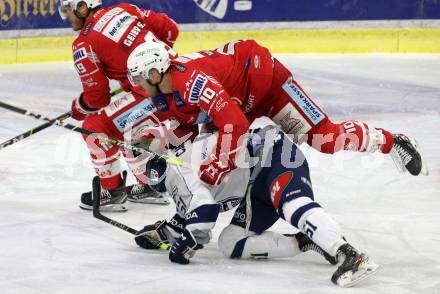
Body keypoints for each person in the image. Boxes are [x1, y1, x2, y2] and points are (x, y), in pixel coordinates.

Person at [126, 40, 427, 187]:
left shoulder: (190, 82)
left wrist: (220, 163)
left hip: (268, 83)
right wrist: (156, 143)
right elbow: (188, 127)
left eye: (138, 78)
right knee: (212, 147)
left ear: (155, 72)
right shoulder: (164, 94)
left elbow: (234, 123)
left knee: (325, 139)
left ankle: (391, 141)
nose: (135, 85)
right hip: (239, 97)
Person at [134, 117, 378, 287]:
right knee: (231, 243)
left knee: (292, 206)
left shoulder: (177, 171)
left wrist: (186, 243)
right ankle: (303, 241)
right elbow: (189, 216)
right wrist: (161, 235)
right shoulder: (177, 170)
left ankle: (350, 254)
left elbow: (204, 212)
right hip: (255, 188)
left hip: (275, 157)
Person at [59, 0, 180, 210]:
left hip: (154, 95)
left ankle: (111, 192)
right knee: (131, 125)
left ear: (82, 7)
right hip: (181, 80)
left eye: (67, 11)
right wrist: (153, 62)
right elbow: (170, 30)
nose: (66, 17)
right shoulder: (126, 9)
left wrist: (78, 108)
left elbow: (97, 98)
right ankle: (151, 184)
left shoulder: (84, 43)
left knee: (95, 126)